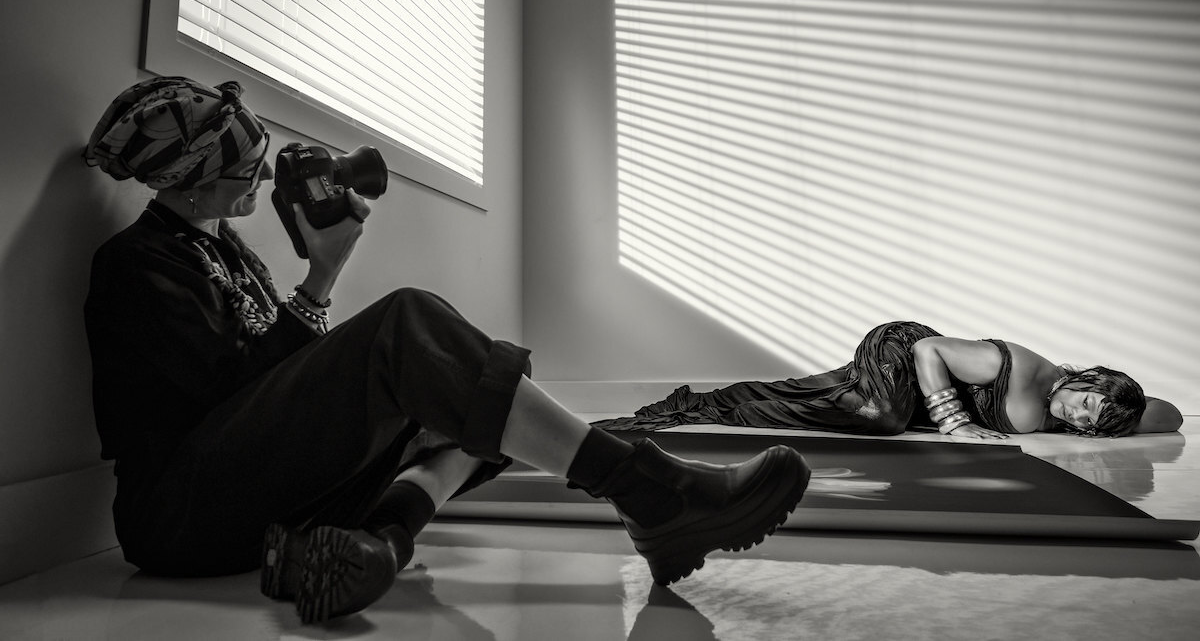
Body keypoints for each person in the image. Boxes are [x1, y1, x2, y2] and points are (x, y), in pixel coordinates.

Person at [82, 76, 811, 624]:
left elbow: (273, 391)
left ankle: (380, 546)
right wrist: (322, 276)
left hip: (243, 501)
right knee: (410, 324)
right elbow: (235, 397)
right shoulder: (136, 263)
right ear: (188, 179)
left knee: (469, 407)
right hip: (179, 518)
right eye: (245, 166)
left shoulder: (227, 252)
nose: (265, 175)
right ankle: (649, 491)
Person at [593, 321, 1184, 439]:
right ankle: (709, 407)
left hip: (915, 378)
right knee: (883, 417)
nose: (1079, 417)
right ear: (1087, 378)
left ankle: (720, 402)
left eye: (1091, 422)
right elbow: (928, 349)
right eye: (1086, 402)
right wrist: (954, 423)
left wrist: (1122, 414)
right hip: (902, 350)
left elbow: (1168, 414)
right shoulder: (1026, 369)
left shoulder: (1091, 412)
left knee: (826, 400)